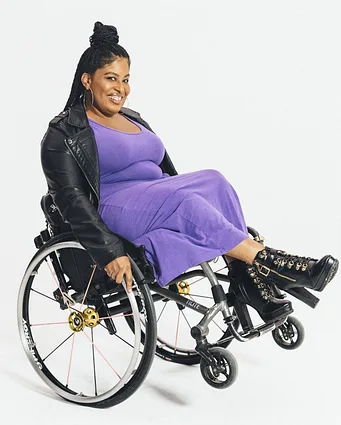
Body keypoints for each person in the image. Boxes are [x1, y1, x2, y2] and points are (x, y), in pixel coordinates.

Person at [40, 21, 339, 324]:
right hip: (111, 206)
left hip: (155, 197)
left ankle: (244, 276)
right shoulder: (64, 131)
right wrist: (109, 251)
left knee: (214, 180)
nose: (121, 89)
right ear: (87, 80)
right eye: (111, 78)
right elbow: (70, 199)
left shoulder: (134, 119)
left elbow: (165, 173)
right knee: (185, 203)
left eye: (127, 79)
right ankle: (270, 262)